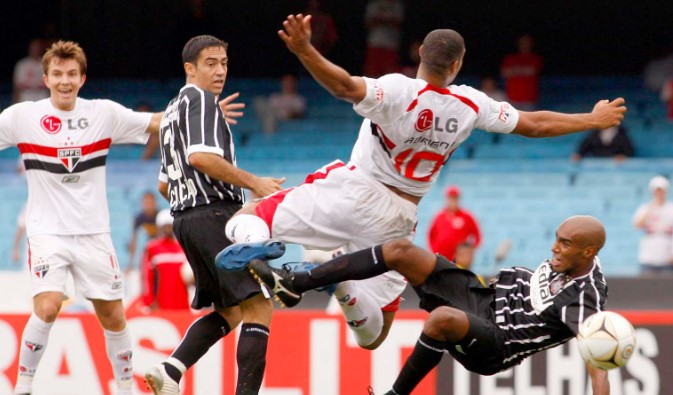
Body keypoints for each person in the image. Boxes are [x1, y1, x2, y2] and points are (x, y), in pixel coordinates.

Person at [219, 16, 626, 353]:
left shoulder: (397, 89)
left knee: (248, 213)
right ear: (458, 63)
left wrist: (305, 50)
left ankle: (260, 255)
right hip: (399, 217)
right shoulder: (471, 104)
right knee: (373, 336)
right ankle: (337, 279)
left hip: (354, 189)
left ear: (420, 55)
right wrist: (591, 120)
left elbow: (344, 86)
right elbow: (534, 124)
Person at [248, 215, 610, 395]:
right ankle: (296, 284)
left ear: (588, 251)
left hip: (495, 342)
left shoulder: (585, 297)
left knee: (441, 320)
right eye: (557, 240)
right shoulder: (569, 259)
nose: (554, 248)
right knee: (400, 251)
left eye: (564, 244)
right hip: (481, 296)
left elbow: (597, 360)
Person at [0, 40, 163, 395]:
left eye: (71, 74)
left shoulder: (103, 113)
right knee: (47, 305)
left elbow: (154, 122)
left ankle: (125, 388)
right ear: (45, 78)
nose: (64, 81)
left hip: (94, 234)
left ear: (82, 78)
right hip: (47, 233)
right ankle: (22, 387)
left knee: (113, 317)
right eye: (57, 74)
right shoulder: (22, 117)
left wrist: (201, 115)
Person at [144, 35, 285, 395]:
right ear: (189, 68)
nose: (220, 70)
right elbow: (199, 158)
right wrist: (254, 183)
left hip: (185, 221)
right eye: (210, 63)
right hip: (213, 215)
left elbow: (165, 185)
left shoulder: (173, 110)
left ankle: (171, 369)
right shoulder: (203, 100)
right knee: (258, 307)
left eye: (224, 62)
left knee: (232, 310)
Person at [140, 209, 191, 311]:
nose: (167, 228)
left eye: (170, 225)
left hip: (183, 306)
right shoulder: (152, 248)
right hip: (160, 306)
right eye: (165, 226)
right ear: (159, 227)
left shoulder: (183, 247)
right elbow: (146, 276)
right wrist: (149, 301)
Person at [427, 185, 481, 261]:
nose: (452, 201)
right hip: (441, 257)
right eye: (451, 198)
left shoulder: (466, 216)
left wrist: (470, 251)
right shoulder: (439, 216)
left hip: (458, 259)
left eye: (455, 198)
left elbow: (477, 235)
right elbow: (431, 235)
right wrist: (434, 249)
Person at [632, 175, 673, 275]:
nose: (659, 193)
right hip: (648, 256)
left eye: (661, 190)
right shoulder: (645, 208)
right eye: (656, 190)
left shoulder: (671, 208)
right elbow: (637, 225)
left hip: (666, 255)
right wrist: (651, 208)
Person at [500, 34, 543, 110]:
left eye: (526, 42)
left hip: (529, 99)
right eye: (522, 42)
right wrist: (523, 70)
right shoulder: (510, 58)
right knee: (512, 121)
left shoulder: (535, 58)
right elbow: (505, 73)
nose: (524, 44)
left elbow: (531, 71)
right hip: (512, 98)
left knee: (528, 121)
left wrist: (514, 70)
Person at [363, 0, 404, 77]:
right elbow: (368, 23)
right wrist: (384, 20)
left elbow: (398, 23)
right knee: (371, 71)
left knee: (389, 72)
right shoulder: (374, 4)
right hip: (375, 42)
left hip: (391, 44)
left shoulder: (397, 5)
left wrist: (384, 20)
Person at [127, 190, 160, 270]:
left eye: (150, 202)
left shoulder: (161, 216)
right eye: (146, 202)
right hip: (147, 251)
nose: (148, 205)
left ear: (155, 203)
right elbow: (134, 241)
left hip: (160, 250)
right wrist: (130, 264)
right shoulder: (139, 218)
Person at [12, 39, 49, 103]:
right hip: (25, 99)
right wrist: (15, 102)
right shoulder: (22, 64)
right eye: (34, 48)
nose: (36, 50)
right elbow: (17, 86)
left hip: (42, 99)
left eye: (38, 48)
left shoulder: (46, 64)